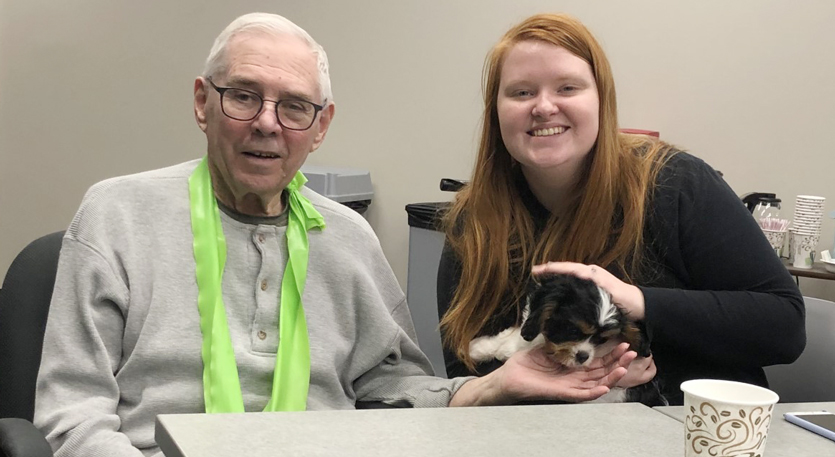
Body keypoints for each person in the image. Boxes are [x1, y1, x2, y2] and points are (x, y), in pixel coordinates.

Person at [33, 12, 638, 456]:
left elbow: (392, 387)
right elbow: (73, 409)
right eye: (243, 96)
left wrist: (494, 386)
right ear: (202, 102)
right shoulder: (115, 214)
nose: (267, 124)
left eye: (294, 106)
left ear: (320, 126)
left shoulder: (348, 237)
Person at [437, 13, 806, 406]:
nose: (544, 107)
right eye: (522, 92)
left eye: (567, 87)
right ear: (496, 112)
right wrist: (575, 374)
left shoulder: (673, 184)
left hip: (692, 430)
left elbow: (783, 327)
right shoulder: (473, 223)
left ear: (602, 100)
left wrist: (640, 304)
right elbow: (464, 368)